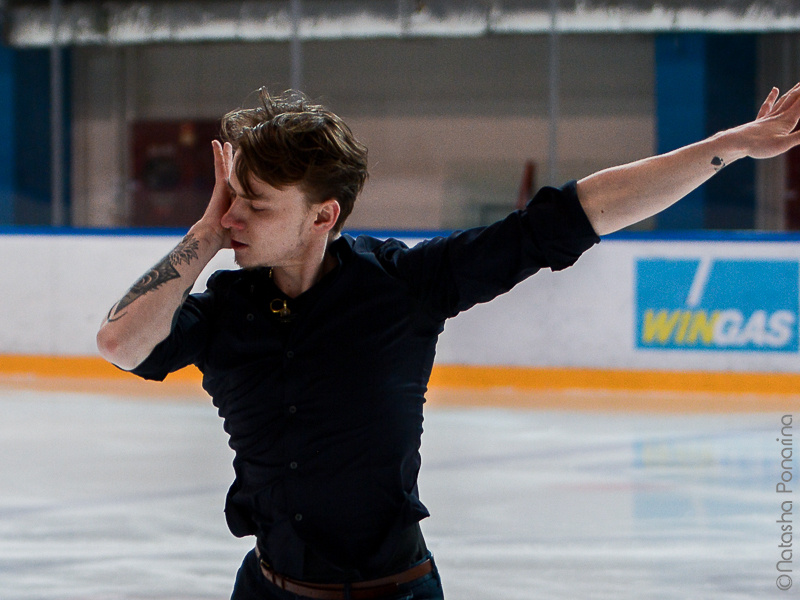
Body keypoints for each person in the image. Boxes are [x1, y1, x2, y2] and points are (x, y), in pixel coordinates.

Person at [97, 83, 800, 600]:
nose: (234, 217)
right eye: (232, 198)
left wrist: (728, 146)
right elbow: (120, 343)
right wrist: (202, 235)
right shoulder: (225, 309)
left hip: (394, 592)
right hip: (268, 589)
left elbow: (577, 214)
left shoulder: (403, 285)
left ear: (323, 215)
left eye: (255, 204)